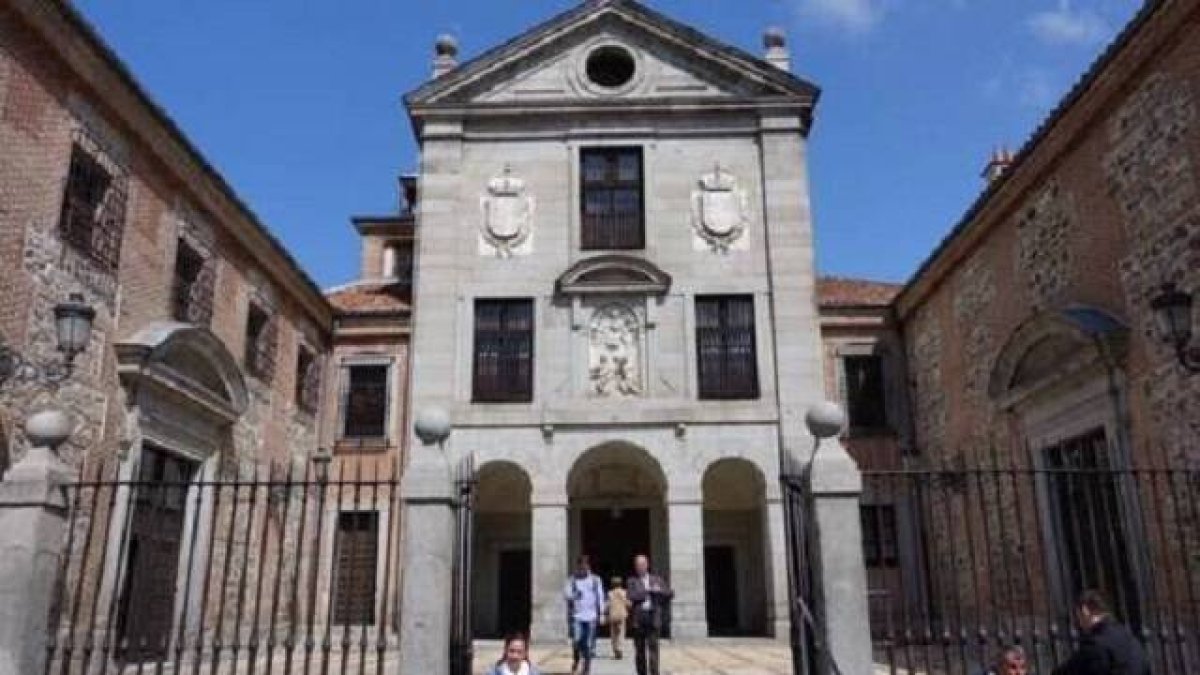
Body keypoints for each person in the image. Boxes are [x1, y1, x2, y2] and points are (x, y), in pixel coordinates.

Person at [1052, 590, 1149, 675]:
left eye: (1079, 617)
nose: (1080, 624)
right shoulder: (1130, 638)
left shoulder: (1095, 645)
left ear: (1085, 611)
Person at [626, 554, 673, 675]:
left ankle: (654, 673)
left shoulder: (657, 579)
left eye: (642, 564)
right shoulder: (632, 581)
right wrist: (649, 591)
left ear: (647, 565)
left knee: (653, 650)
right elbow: (632, 596)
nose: (640, 567)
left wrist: (660, 591)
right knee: (640, 652)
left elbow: (669, 593)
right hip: (639, 620)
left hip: (653, 618)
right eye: (637, 565)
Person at [563, 555, 606, 675]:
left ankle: (586, 668)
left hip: (591, 616)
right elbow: (566, 595)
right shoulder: (572, 580)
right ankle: (576, 659)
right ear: (578, 567)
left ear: (588, 566)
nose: (583, 568)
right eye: (581, 566)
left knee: (588, 644)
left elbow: (600, 597)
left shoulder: (595, 580)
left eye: (585, 566)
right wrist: (574, 595)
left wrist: (602, 614)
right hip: (577, 616)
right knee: (576, 640)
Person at [606, 576, 631, 659]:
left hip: (613, 615)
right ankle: (620, 648)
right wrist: (630, 604)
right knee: (621, 633)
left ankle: (615, 649)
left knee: (613, 634)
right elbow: (627, 603)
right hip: (621, 615)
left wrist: (605, 612)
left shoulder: (610, 593)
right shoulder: (624, 592)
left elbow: (607, 604)